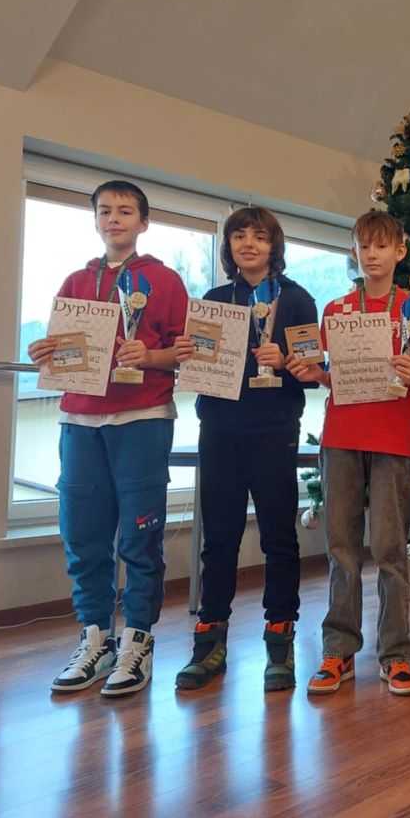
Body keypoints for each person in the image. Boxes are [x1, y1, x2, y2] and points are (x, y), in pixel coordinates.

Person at [28, 180, 188, 696]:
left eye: (124, 211)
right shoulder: (75, 280)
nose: (113, 219)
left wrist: (151, 355)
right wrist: (44, 353)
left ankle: (137, 639)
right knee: (83, 533)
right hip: (79, 421)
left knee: (140, 535)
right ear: (95, 220)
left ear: (144, 222)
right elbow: (64, 348)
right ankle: (96, 638)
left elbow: (190, 352)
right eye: (104, 211)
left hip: (142, 418)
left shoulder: (165, 280)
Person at [172, 207, 317, 692]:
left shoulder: (298, 300)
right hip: (219, 431)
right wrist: (188, 357)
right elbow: (198, 368)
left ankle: (280, 641)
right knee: (219, 539)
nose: (248, 244)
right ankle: (209, 643)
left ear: (275, 245)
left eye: (259, 236)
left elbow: (313, 373)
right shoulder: (214, 302)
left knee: (279, 539)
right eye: (239, 236)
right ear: (229, 246)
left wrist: (288, 360)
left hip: (275, 432)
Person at [286, 210, 410, 696]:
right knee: (342, 550)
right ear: (354, 252)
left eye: (381, 246)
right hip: (342, 438)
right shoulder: (336, 310)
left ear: (399, 252)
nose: (372, 254)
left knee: (390, 551)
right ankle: (339, 651)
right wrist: (316, 375)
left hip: (393, 441)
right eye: (364, 246)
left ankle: (395, 655)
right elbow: (335, 376)